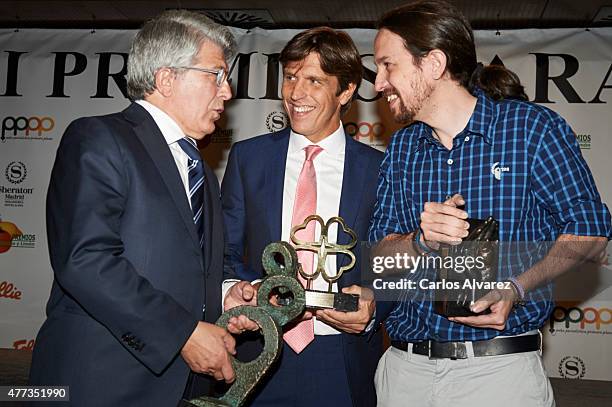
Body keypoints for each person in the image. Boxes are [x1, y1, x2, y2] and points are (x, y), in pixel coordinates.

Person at [368, 1, 611, 406]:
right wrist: (419, 241)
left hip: (498, 375)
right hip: (403, 372)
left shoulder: (531, 129)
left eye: (387, 65)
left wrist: (516, 288)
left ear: (433, 63)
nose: (377, 82)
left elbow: (591, 230)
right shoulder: (403, 147)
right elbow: (378, 257)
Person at [29, 10, 254, 406]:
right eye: (215, 75)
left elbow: (193, 267)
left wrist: (225, 294)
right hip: (102, 384)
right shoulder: (98, 138)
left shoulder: (199, 166)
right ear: (166, 78)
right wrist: (182, 333)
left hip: (181, 387)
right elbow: (86, 260)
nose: (228, 91)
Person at [220, 27, 383, 407]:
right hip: (258, 350)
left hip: (343, 356)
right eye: (291, 77)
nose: (296, 93)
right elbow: (226, 250)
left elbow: (392, 263)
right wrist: (234, 288)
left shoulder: (379, 169)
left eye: (314, 80)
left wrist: (375, 306)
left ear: (345, 91)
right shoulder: (249, 159)